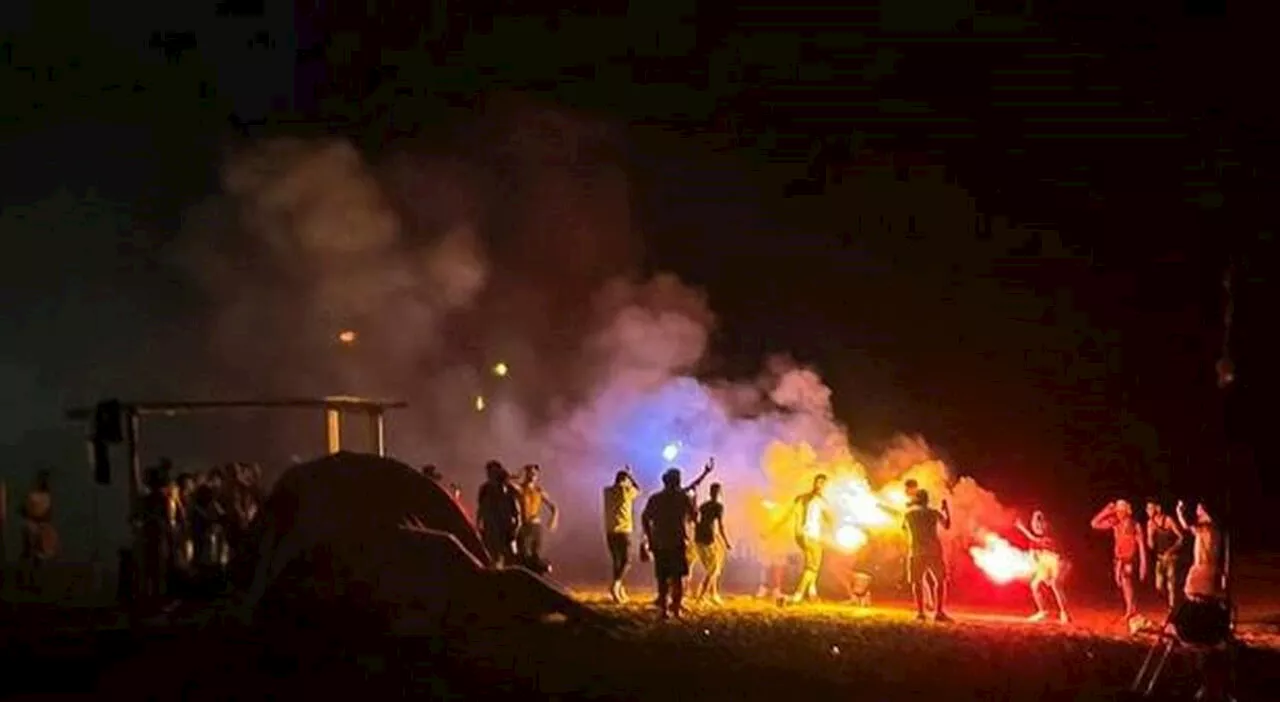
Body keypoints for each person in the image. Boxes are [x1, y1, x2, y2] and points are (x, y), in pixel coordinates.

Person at [641, 468, 698, 619]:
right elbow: (694, 518)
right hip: (677, 542)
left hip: (659, 542)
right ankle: (676, 609)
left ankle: (664, 610)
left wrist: (650, 537)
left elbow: (645, 518)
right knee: (677, 578)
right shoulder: (683, 498)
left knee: (662, 577)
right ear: (677, 481)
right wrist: (694, 500)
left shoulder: (655, 498)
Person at [771, 474, 833, 605]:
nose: (820, 486)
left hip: (802, 536)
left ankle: (812, 592)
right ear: (817, 484)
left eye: (822, 483)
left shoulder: (803, 498)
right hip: (810, 536)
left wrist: (773, 529)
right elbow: (830, 520)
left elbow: (788, 514)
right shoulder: (820, 501)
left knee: (815, 561)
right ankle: (796, 597)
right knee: (812, 568)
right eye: (820, 483)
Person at [1091, 499, 1147, 621]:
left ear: (1127, 512)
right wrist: (1106, 510)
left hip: (1130, 557)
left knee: (1127, 582)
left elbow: (1141, 545)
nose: (1119, 513)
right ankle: (1131, 609)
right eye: (1117, 511)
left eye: (1121, 511)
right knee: (1123, 584)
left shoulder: (1135, 525)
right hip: (1119, 558)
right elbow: (1094, 523)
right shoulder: (1115, 523)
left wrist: (1143, 564)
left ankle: (1130, 611)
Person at [902, 489, 952, 622]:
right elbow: (947, 525)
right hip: (934, 550)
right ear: (927, 499)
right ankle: (939, 612)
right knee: (940, 581)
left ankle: (920, 613)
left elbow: (903, 529)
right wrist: (946, 509)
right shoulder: (934, 513)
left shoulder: (909, 514)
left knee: (917, 582)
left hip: (916, 551)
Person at [1015, 510, 1070, 623]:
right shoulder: (1034, 538)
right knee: (1035, 584)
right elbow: (1034, 554)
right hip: (1046, 562)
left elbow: (1039, 541)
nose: (1037, 525)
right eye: (1035, 521)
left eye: (1040, 520)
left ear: (1046, 522)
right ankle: (1043, 612)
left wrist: (1022, 529)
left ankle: (1065, 614)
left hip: (1060, 561)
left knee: (1056, 584)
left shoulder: (1050, 533)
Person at [602, 467, 640, 603]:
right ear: (625, 481)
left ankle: (618, 589)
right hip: (624, 531)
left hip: (610, 531)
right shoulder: (626, 491)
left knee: (616, 561)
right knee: (627, 561)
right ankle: (616, 584)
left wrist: (626, 476)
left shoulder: (607, 491)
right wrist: (631, 475)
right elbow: (639, 489)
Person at [514, 464, 559, 574]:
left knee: (535, 555)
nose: (533, 475)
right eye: (530, 473)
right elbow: (507, 481)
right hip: (524, 527)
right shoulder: (520, 488)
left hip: (536, 527)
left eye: (535, 473)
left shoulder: (538, 491)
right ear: (526, 474)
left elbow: (554, 507)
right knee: (524, 556)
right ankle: (543, 567)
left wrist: (553, 520)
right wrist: (520, 472)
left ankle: (542, 570)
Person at [19, 469, 58, 593]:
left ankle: (32, 581)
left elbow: (25, 510)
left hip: (34, 525)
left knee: (32, 555)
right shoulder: (44, 497)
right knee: (33, 556)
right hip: (37, 525)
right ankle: (32, 580)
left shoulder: (37, 497)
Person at [476, 460, 521, 568]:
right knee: (493, 557)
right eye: (489, 472)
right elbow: (481, 508)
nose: (490, 474)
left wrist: (516, 527)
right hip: (490, 528)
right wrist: (478, 524)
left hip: (506, 527)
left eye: (494, 472)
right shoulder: (485, 489)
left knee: (510, 558)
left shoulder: (508, 488)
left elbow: (517, 508)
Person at [1175, 500, 1223, 601]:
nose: (1197, 511)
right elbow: (1188, 527)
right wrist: (1179, 512)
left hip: (1205, 566)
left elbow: (1188, 525)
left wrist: (1179, 511)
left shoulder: (1209, 525)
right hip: (1200, 565)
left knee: (1197, 593)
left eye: (1199, 509)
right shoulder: (1203, 527)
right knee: (1193, 593)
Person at [693, 483, 733, 605]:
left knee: (713, 566)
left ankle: (713, 594)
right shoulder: (718, 507)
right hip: (708, 538)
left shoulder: (703, 506)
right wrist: (726, 542)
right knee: (713, 569)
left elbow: (696, 521)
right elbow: (720, 526)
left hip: (699, 537)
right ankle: (702, 596)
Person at [1147, 499, 1185, 610]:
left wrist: (1171, 550)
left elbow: (1181, 537)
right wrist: (1149, 535)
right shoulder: (1150, 523)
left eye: (1150, 508)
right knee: (1158, 586)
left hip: (1171, 557)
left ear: (1157, 508)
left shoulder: (1168, 520)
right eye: (1147, 508)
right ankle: (1169, 602)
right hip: (1160, 558)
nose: (1148, 511)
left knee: (1171, 585)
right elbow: (1151, 546)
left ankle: (1172, 607)